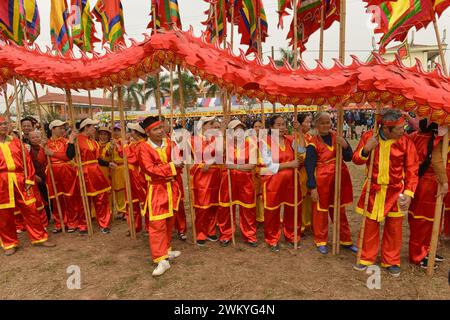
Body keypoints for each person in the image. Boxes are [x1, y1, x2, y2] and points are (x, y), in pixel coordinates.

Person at [353, 109, 419, 277]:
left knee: (394, 228)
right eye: (399, 128)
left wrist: (409, 193)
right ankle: (366, 257)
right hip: (373, 190)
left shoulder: (405, 142)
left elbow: (412, 169)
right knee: (370, 225)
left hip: (396, 190)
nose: (403, 131)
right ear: (387, 128)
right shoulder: (369, 137)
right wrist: (366, 149)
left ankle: (391, 260)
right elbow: (356, 160)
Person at [0, 115, 55, 255]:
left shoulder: (16, 141)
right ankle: (9, 243)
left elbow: (27, 162)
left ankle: (39, 238)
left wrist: (29, 179)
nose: (4, 126)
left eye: (5, 123)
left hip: (20, 178)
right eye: (1, 124)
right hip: (2, 181)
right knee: (4, 214)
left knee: (31, 209)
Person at [305, 112, 357, 255]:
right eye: (322, 123)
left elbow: (349, 157)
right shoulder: (312, 142)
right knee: (321, 211)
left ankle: (345, 240)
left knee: (339, 210)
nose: (326, 125)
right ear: (316, 124)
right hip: (322, 180)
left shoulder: (337, 137)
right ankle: (321, 240)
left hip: (339, 179)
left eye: (328, 122)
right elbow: (309, 166)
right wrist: (313, 187)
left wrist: (346, 145)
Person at [137, 116, 182, 276]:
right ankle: (160, 259)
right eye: (156, 129)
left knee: (170, 220)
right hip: (156, 190)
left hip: (172, 187)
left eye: (161, 127)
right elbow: (150, 169)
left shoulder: (169, 143)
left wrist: (178, 161)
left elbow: (179, 161)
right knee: (157, 224)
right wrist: (171, 166)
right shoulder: (143, 148)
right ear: (148, 132)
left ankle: (166, 250)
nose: (161, 131)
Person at [260, 115, 304, 252]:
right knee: (272, 211)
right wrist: (290, 164)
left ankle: (292, 236)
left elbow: (302, 152)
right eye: (278, 125)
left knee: (293, 209)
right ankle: (272, 239)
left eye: (283, 124)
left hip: (291, 181)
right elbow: (268, 165)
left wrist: (300, 132)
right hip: (273, 182)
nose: (282, 128)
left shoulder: (290, 139)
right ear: (271, 127)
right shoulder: (265, 142)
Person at [408, 119, 447, 269]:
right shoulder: (432, 139)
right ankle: (418, 255)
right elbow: (436, 161)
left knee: (427, 221)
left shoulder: (415, 135)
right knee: (422, 221)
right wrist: (444, 181)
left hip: (422, 183)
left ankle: (426, 250)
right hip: (427, 184)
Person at [66, 118, 114, 234]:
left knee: (101, 199)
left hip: (96, 172)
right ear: (86, 127)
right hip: (83, 172)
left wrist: (108, 164)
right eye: (93, 127)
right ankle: (83, 225)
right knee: (83, 200)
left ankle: (104, 224)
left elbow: (96, 159)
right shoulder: (76, 139)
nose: (94, 129)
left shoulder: (93, 141)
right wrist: (71, 140)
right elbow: (69, 155)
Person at [217, 120, 257, 247]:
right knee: (226, 208)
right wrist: (223, 131)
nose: (238, 132)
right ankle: (226, 234)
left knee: (248, 209)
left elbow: (251, 165)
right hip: (228, 181)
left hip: (246, 182)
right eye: (235, 130)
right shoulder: (225, 145)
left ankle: (249, 235)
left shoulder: (250, 145)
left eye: (241, 129)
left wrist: (234, 166)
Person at [190, 116, 222, 246]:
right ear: (202, 127)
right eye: (210, 125)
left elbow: (220, 154)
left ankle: (211, 230)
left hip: (215, 174)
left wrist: (211, 161)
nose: (212, 128)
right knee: (202, 205)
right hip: (201, 175)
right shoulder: (192, 140)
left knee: (214, 204)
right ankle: (200, 232)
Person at [44, 120, 81, 234]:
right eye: (60, 127)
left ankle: (72, 222)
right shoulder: (46, 143)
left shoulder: (66, 142)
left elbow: (68, 157)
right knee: (56, 199)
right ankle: (59, 223)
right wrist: (42, 149)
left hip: (66, 172)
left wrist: (53, 154)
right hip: (53, 173)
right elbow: (42, 159)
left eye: (63, 127)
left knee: (69, 197)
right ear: (53, 129)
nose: (63, 130)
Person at [124, 122, 148, 234]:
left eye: (132, 131)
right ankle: (134, 226)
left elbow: (133, 159)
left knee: (145, 202)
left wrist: (125, 147)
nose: (130, 133)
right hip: (130, 176)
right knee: (131, 202)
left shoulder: (143, 145)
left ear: (137, 133)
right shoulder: (134, 144)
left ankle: (150, 226)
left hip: (139, 177)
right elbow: (122, 154)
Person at [294, 113, 313, 235]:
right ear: (300, 124)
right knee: (300, 199)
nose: (309, 124)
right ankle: (299, 225)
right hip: (300, 173)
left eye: (309, 121)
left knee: (309, 200)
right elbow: (300, 156)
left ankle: (308, 223)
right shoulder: (294, 138)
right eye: (306, 122)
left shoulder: (312, 137)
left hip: (311, 173)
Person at [110, 124, 126, 218]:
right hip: (114, 168)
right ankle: (120, 209)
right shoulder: (111, 141)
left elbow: (122, 154)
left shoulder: (123, 141)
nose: (116, 132)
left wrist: (116, 145)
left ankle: (125, 210)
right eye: (114, 130)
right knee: (117, 189)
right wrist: (110, 148)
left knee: (123, 189)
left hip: (122, 167)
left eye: (118, 130)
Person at [252, 119, 264, 224]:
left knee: (264, 193)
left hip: (265, 170)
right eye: (256, 126)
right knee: (255, 193)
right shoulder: (249, 140)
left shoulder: (268, 140)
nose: (257, 129)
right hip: (253, 171)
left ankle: (263, 216)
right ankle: (255, 216)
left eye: (260, 126)